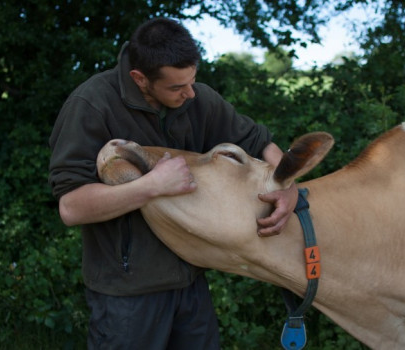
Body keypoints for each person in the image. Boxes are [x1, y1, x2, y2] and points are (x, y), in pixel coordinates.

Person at [49, 17, 298, 350]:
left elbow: (258, 141)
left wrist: (287, 184)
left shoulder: (198, 99)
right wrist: (152, 186)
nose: (189, 92)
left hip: (191, 280)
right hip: (128, 293)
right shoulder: (92, 104)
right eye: (176, 87)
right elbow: (71, 207)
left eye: (192, 80)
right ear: (140, 79)